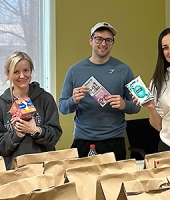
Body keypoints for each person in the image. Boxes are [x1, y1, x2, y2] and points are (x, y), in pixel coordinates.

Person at [58, 22, 140, 159]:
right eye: (99, 39)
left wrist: (124, 104)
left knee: (114, 180)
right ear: (90, 40)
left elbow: (137, 107)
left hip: (114, 140)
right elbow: (62, 107)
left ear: (113, 43)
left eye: (108, 40)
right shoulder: (75, 71)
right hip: (83, 139)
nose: (103, 44)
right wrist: (73, 101)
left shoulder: (124, 70)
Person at [0, 51, 62, 168]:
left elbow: (55, 135)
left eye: (26, 70)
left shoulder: (45, 99)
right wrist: (16, 135)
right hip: (13, 171)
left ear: (31, 71)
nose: (22, 76)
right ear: (7, 74)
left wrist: (36, 131)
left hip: (43, 169)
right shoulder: (0, 106)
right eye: (16, 72)